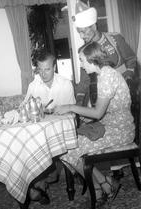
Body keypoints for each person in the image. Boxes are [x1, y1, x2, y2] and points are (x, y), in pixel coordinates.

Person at [55, 42, 135, 203]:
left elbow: (98, 113)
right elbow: (102, 110)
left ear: (93, 59)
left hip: (120, 131)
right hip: (111, 125)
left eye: (82, 60)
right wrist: (86, 117)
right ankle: (105, 182)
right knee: (68, 145)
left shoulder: (107, 77)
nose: (82, 65)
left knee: (67, 149)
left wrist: (71, 107)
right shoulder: (103, 74)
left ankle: (101, 187)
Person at [23, 50, 76, 204]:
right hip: (42, 131)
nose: (43, 73)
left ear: (54, 67)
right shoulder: (34, 85)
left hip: (62, 129)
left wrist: (56, 111)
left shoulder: (65, 83)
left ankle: (41, 183)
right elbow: (26, 107)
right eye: (40, 70)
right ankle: (39, 182)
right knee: (30, 145)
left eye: (47, 69)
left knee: (43, 146)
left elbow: (71, 112)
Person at [73, 4, 136, 106]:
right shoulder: (84, 51)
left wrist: (128, 78)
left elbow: (131, 59)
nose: (81, 36)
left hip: (124, 90)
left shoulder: (115, 39)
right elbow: (84, 81)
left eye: (83, 32)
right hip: (103, 96)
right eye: (79, 32)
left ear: (94, 26)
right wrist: (79, 100)